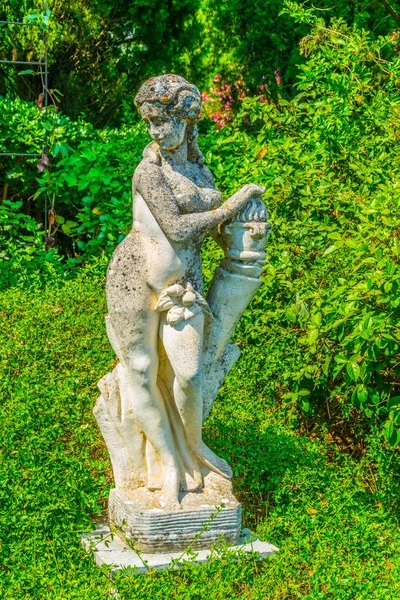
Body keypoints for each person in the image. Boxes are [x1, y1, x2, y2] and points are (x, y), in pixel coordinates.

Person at [105, 74, 264, 509]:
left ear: (186, 121)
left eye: (163, 122)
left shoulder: (198, 169)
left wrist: (245, 226)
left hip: (183, 284)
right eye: (150, 123)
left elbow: (209, 234)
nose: (157, 132)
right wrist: (231, 203)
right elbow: (175, 228)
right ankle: (167, 465)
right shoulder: (148, 171)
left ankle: (194, 448)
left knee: (189, 375)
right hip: (133, 277)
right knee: (139, 369)